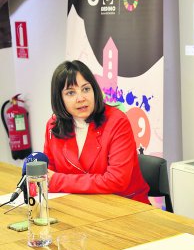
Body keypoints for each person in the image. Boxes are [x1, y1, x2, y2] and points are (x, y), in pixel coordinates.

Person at [43, 60, 150, 204]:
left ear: (94, 90)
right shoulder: (53, 126)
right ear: (59, 98)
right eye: (70, 92)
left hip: (125, 206)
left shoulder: (117, 122)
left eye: (86, 89)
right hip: (80, 205)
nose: (81, 98)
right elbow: (47, 174)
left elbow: (116, 181)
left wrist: (58, 181)